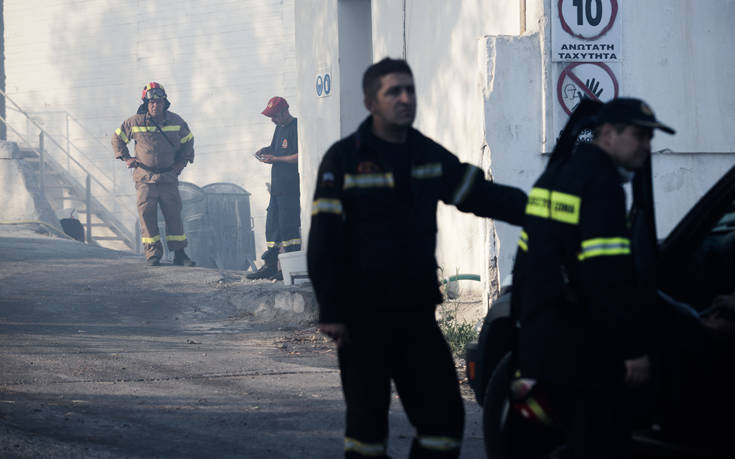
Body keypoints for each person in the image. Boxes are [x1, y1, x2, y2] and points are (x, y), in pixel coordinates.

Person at [307, 57, 527, 458]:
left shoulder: (425, 154)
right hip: (361, 320)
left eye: (410, 90)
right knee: (367, 429)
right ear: (371, 101)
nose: (406, 99)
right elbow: (324, 241)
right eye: (394, 91)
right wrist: (331, 310)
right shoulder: (343, 160)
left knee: (444, 420)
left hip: (415, 315)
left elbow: (476, 193)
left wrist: (540, 209)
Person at [509, 97, 675, 458]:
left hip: (539, 344)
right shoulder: (603, 186)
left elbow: (525, 259)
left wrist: (521, 327)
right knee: (601, 443)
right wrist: (633, 351)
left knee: (532, 441)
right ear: (607, 134)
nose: (647, 147)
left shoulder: (552, 176)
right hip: (583, 355)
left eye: (649, 138)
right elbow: (607, 278)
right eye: (639, 136)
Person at [112, 82, 195, 267]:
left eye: (159, 102)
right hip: (145, 179)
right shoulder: (134, 122)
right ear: (146, 104)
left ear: (165, 103)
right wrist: (126, 158)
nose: (155, 105)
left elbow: (188, 141)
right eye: (151, 103)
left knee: (173, 216)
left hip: (168, 178)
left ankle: (180, 254)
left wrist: (182, 162)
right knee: (147, 216)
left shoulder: (176, 122)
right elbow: (117, 138)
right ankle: (153, 254)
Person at [246, 96, 300, 281]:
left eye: (275, 115)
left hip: (290, 188)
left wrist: (275, 159)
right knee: (272, 228)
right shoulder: (279, 128)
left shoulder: (296, 127)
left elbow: (300, 155)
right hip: (276, 188)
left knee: (288, 230)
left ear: (285, 112)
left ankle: (289, 269)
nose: (272, 120)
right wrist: (266, 150)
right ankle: (270, 265)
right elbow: (278, 149)